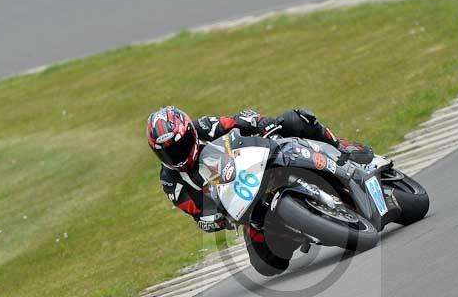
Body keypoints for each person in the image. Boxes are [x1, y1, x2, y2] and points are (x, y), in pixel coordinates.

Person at [146, 106, 373, 276]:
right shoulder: (171, 181)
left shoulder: (205, 126)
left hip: (260, 162)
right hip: (246, 203)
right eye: (167, 153)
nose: (176, 155)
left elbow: (241, 120)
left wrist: (265, 125)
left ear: (190, 133)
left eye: (180, 146)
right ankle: (301, 227)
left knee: (295, 118)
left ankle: (342, 147)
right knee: (267, 265)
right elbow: (199, 214)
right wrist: (217, 218)